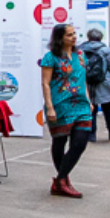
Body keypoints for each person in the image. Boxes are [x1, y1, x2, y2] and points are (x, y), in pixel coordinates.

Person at [40, 23, 92, 198]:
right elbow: (46, 83)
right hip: (60, 104)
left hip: (81, 104)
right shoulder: (50, 57)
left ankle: (60, 178)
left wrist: (89, 100)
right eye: (69, 35)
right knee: (60, 142)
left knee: (80, 143)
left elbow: (81, 78)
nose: (74, 37)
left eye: (74, 33)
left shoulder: (80, 55)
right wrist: (49, 107)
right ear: (60, 37)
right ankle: (63, 181)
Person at [80, 28, 110, 142]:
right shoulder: (106, 50)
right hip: (104, 83)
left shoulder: (81, 49)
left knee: (90, 108)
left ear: (88, 38)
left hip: (87, 82)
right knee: (108, 108)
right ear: (101, 38)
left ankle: (91, 133)